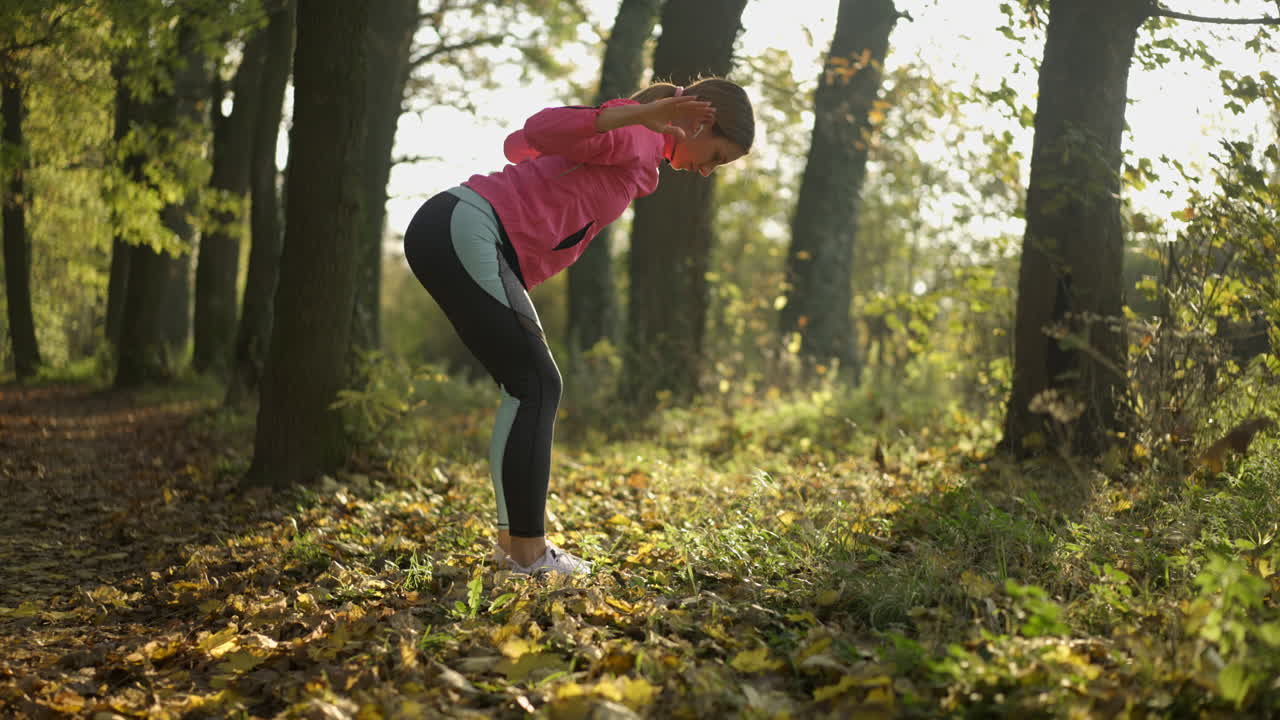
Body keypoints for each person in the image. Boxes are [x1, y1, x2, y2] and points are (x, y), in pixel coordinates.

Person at [402, 78, 755, 576]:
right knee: (536, 385)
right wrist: (630, 116)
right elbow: (540, 129)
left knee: (527, 386)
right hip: (468, 225)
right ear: (699, 121)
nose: (706, 171)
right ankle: (526, 553)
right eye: (716, 155)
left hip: (460, 229)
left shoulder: (641, 150)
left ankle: (514, 546)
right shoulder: (638, 137)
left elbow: (519, 148)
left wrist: (617, 124)